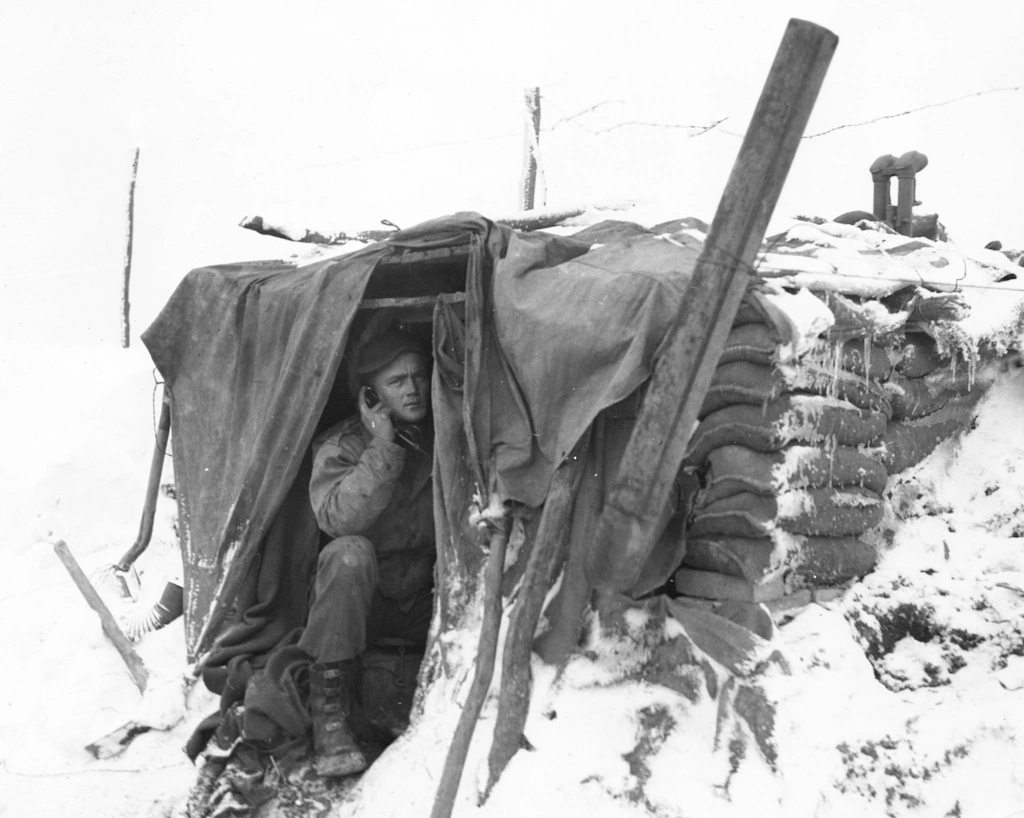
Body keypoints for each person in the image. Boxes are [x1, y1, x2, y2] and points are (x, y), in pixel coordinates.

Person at [297, 330, 435, 777]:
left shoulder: (445, 436)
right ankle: (330, 723)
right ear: (371, 395)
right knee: (348, 553)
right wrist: (382, 447)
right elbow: (339, 520)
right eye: (397, 382)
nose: (413, 389)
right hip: (366, 610)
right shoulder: (343, 446)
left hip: (426, 602)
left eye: (419, 376)